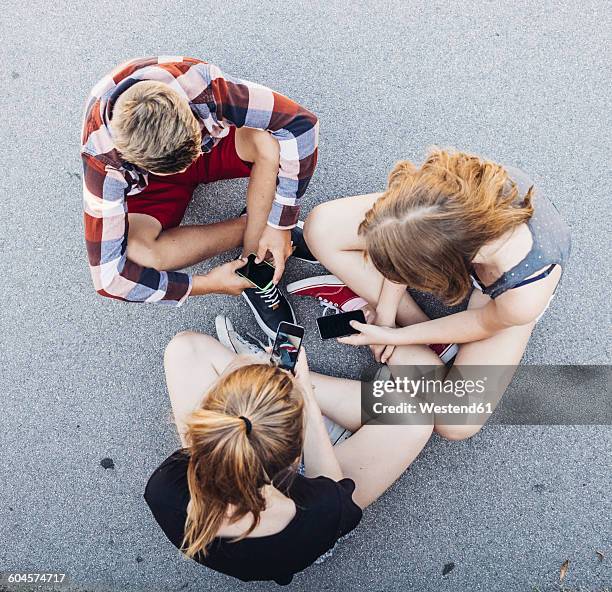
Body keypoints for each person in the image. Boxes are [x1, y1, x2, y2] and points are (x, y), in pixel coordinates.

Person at [288, 149, 571, 440]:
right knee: (320, 227)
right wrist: (385, 314)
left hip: (498, 299)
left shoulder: (524, 297)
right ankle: (404, 320)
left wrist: (394, 337)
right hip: (444, 227)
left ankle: (395, 322)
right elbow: (408, 230)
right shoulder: (450, 188)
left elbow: (482, 322)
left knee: (456, 421)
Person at [144, 325, 433, 584]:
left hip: (264, 492)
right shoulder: (321, 511)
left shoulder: (163, 488)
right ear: (295, 459)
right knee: (415, 416)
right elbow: (331, 484)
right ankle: (284, 389)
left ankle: (266, 393)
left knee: (184, 348)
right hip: (310, 521)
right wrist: (305, 395)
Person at [81, 56, 318, 338]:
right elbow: (109, 279)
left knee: (268, 143)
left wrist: (281, 222)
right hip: (155, 182)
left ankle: (260, 256)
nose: (187, 166)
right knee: (140, 252)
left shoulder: (201, 85)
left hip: (204, 143)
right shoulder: (102, 161)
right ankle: (260, 228)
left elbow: (302, 125)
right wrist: (206, 283)